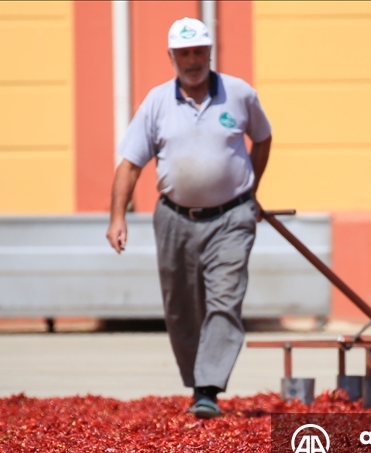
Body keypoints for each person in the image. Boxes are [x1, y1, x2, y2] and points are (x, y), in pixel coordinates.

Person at [106, 17, 272, 419]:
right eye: (184, 54)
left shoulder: (239, 94)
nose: (192, 60)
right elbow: (130, 165)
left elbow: (263, 138)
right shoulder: (157, 102)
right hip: (174, 218)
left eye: (199, 51)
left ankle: (208, 389)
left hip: (232, 216)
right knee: (181, 307)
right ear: (172, 57)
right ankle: (197, 379)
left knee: (224, 300)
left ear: (209, 52)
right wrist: (117, 218)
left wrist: (251, 190)